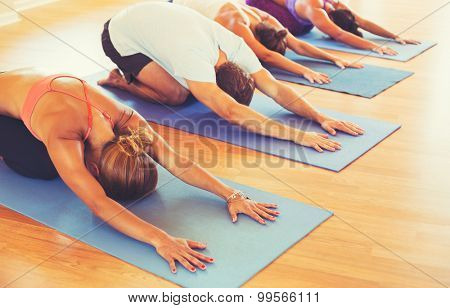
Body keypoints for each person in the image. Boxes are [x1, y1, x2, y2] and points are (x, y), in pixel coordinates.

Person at [0, 68, 281, 273]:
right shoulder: (64, 133)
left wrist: (232, 194)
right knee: (45, 167)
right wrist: (160, 239)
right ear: (95, 170)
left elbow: (177, 161)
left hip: (24, 86)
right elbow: (98, 203)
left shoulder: (127, 120)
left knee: (54, 162)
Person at [99, 2, 364, 154]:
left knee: (188, 85)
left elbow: (274, 87)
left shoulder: (236, 46)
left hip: (155, 19)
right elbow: (231, 112)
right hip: (119, 34)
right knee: (177, 94)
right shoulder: (193, 58)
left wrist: (320, 117)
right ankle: (120, 81)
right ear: (216, 84)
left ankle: (149, 68)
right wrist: (297, 136)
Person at [173, 0, 363, 85]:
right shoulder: (236, 24)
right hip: (182, 6)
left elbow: (297, 44)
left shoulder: (266, 19)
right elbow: (266, 55)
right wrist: (306, 71)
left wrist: (332, 58)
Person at [246, 0, 420, 55]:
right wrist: (375, 46)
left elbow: (363, 22)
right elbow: (339, 34)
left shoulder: (334, 4)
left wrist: (395, 36)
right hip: (277, 13)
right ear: (330, 20)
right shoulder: (317, 12)